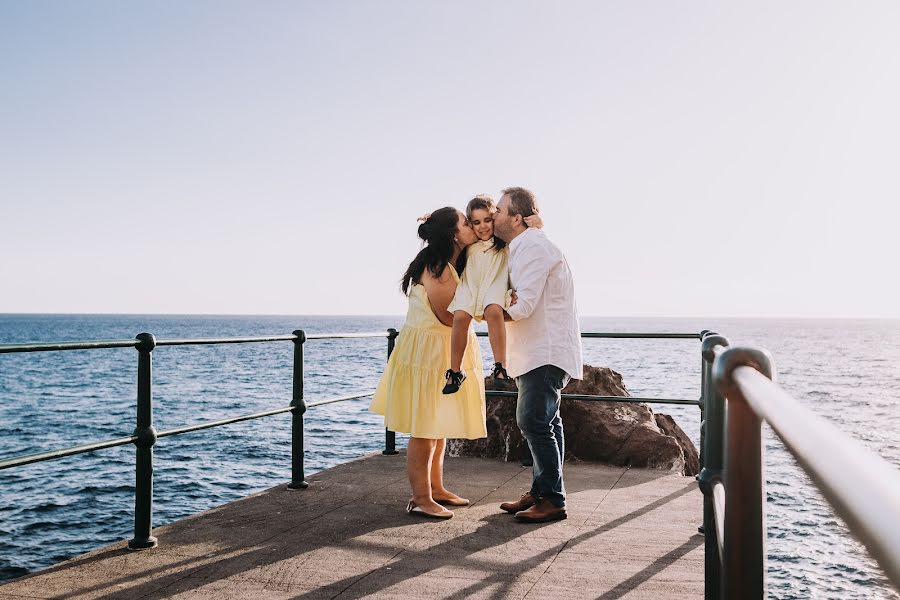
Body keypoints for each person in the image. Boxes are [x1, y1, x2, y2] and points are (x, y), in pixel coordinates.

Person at [370, 207, 487, 519]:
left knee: (438, 424)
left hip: (442, 350)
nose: (473, 227)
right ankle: (420, 498)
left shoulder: (451, 264)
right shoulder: (436, 266)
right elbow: (448, 315)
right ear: (453, 234)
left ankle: (436, 488)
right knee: (424, 427)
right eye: (466, 223)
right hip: (428, 353)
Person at [492, 187, 583, 523]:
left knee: (533, 420)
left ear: (517, 218)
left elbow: (524, 305)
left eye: (499, 210)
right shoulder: (524, 245)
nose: (494, 215)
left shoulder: (533, 247)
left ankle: (553, 500)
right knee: (548, 423)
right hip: (539, 350)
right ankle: (542, 490)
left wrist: (483, 309)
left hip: (543, 352)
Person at [442, 195, 543, 394]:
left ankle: (500, 368)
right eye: (476, 222)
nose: (483, 227)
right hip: (470, 286)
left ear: (494, 220)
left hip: (494, 285)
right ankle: (455, 371)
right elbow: (446, 230)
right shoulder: (468, 244)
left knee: (494, 311)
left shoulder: (503, 242)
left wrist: (538, 223)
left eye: (487, 220)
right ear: (470, 224)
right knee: (460, 317)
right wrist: (432, 219)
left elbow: (526, 234)